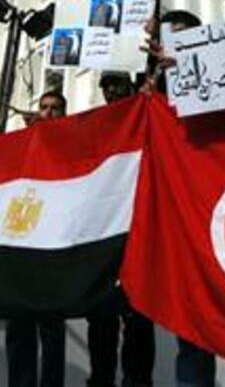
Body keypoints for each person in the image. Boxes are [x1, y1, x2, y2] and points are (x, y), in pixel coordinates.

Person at [142, 9, 225, 387]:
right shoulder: (157, 90)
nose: (177, 46)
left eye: (186, 38)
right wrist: (157, 85)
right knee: (193, 335)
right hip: (187, 223)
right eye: (171, 39)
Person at [85, 72, 156, 387]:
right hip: (102, 236)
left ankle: (137, 381)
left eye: (116, 84)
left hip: (139, 232)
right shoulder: (95, 125)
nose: (111, 91)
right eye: (106, 86)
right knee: (101, 320)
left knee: (139, 317)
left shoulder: (148, 114)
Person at [6, 91, 68, 387]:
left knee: (51, 328)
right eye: (43, 108)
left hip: (52, 250)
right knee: (19, 325)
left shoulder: (72, 147)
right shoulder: (22, 146)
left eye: (55, 109)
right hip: (21, 248)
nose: (47, 113)